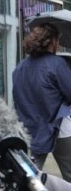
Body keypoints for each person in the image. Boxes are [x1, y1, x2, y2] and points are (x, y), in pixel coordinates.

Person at [13, 22, 71, 182]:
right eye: (57, 39)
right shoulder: (57, 64)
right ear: (51, 41)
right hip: (58, 128)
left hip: (32, 129)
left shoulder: (20, 68)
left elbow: (18, 99)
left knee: (27, 179)